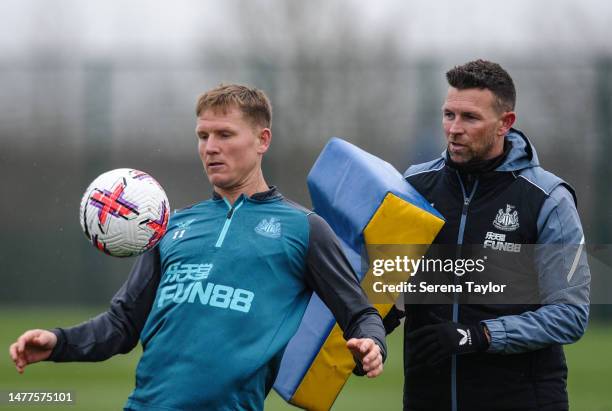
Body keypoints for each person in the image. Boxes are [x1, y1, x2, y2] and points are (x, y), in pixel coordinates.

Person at [9, 84, 387, 411]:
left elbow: (360, 313)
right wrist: (59, 342)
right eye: (203, 136)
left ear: (262, 140)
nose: (210, 148)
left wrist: (371, 344)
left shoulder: (304, 229)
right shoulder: (171, 225)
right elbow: (123, 325)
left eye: (225, 134)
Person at [388, 60, 590, 411]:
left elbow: (570, 315)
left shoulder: (548, 199)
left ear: (505, 124)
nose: (454, 129)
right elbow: (394, 278)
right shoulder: (414, 187)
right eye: (448, 114)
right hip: (426, 399)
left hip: (522, 400)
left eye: (470, 117)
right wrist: (375, 322)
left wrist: (481, 336)